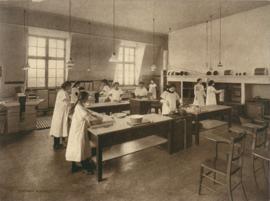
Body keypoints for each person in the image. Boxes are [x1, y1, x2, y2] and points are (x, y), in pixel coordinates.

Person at [66, 91, 102, 174]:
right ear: (84, 98)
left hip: (77, 129)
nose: (88, 99)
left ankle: (76, 166)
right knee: (80, 147)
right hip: (79, 130)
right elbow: (88, 117)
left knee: (78, 147)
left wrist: (93, 115)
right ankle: (85, 167)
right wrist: (98, 119)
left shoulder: (80, 105)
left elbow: (87, 112)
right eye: (87, 97)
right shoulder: (79, 107)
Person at [49, 81, 72, 150]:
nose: (70, 88)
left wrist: (69, 103)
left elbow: (66, 102)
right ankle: (56, 146)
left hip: (60, 113)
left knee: (59, 129)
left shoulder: (62, 92)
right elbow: (66, 103)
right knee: (58, 129)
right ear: (66, 86)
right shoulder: (62, 92)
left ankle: (58, 144)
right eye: (69, 86)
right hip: (59, 114)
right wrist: (71, 104)